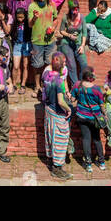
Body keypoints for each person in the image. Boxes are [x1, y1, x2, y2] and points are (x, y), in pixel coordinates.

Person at [42, 52, 72, 180]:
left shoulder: (46, 75)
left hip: (48, 109)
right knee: (60, 140)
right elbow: (60, 101)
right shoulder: (58, 80)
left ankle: (50, 160)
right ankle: (57, 168)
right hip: (57, 111)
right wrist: (68, 108)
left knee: (50, 137)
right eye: (64, 62)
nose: (65, 64)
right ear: (59, 64)